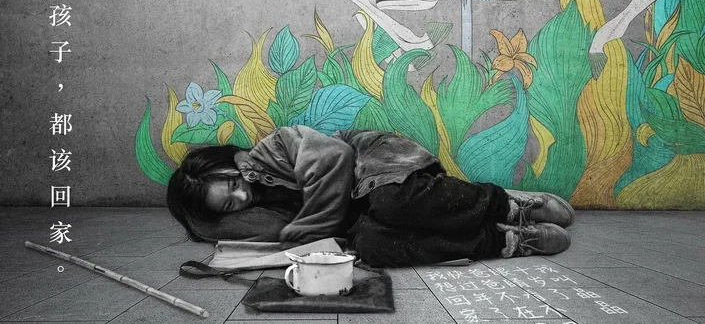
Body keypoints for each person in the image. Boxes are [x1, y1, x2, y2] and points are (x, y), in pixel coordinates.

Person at [167, 125, 573, 267]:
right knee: (372, 247)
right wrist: (204, 219)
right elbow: (275, 236)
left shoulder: (275, 147)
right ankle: (503, 240)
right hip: (361, 215)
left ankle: (507, 204)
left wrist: (313, 224)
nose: (241, 196)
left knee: (390, 202)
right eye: (229, 204)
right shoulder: (255, 211)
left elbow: (335, 159)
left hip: (376, 166)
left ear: (231, 163)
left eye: (233, 184)